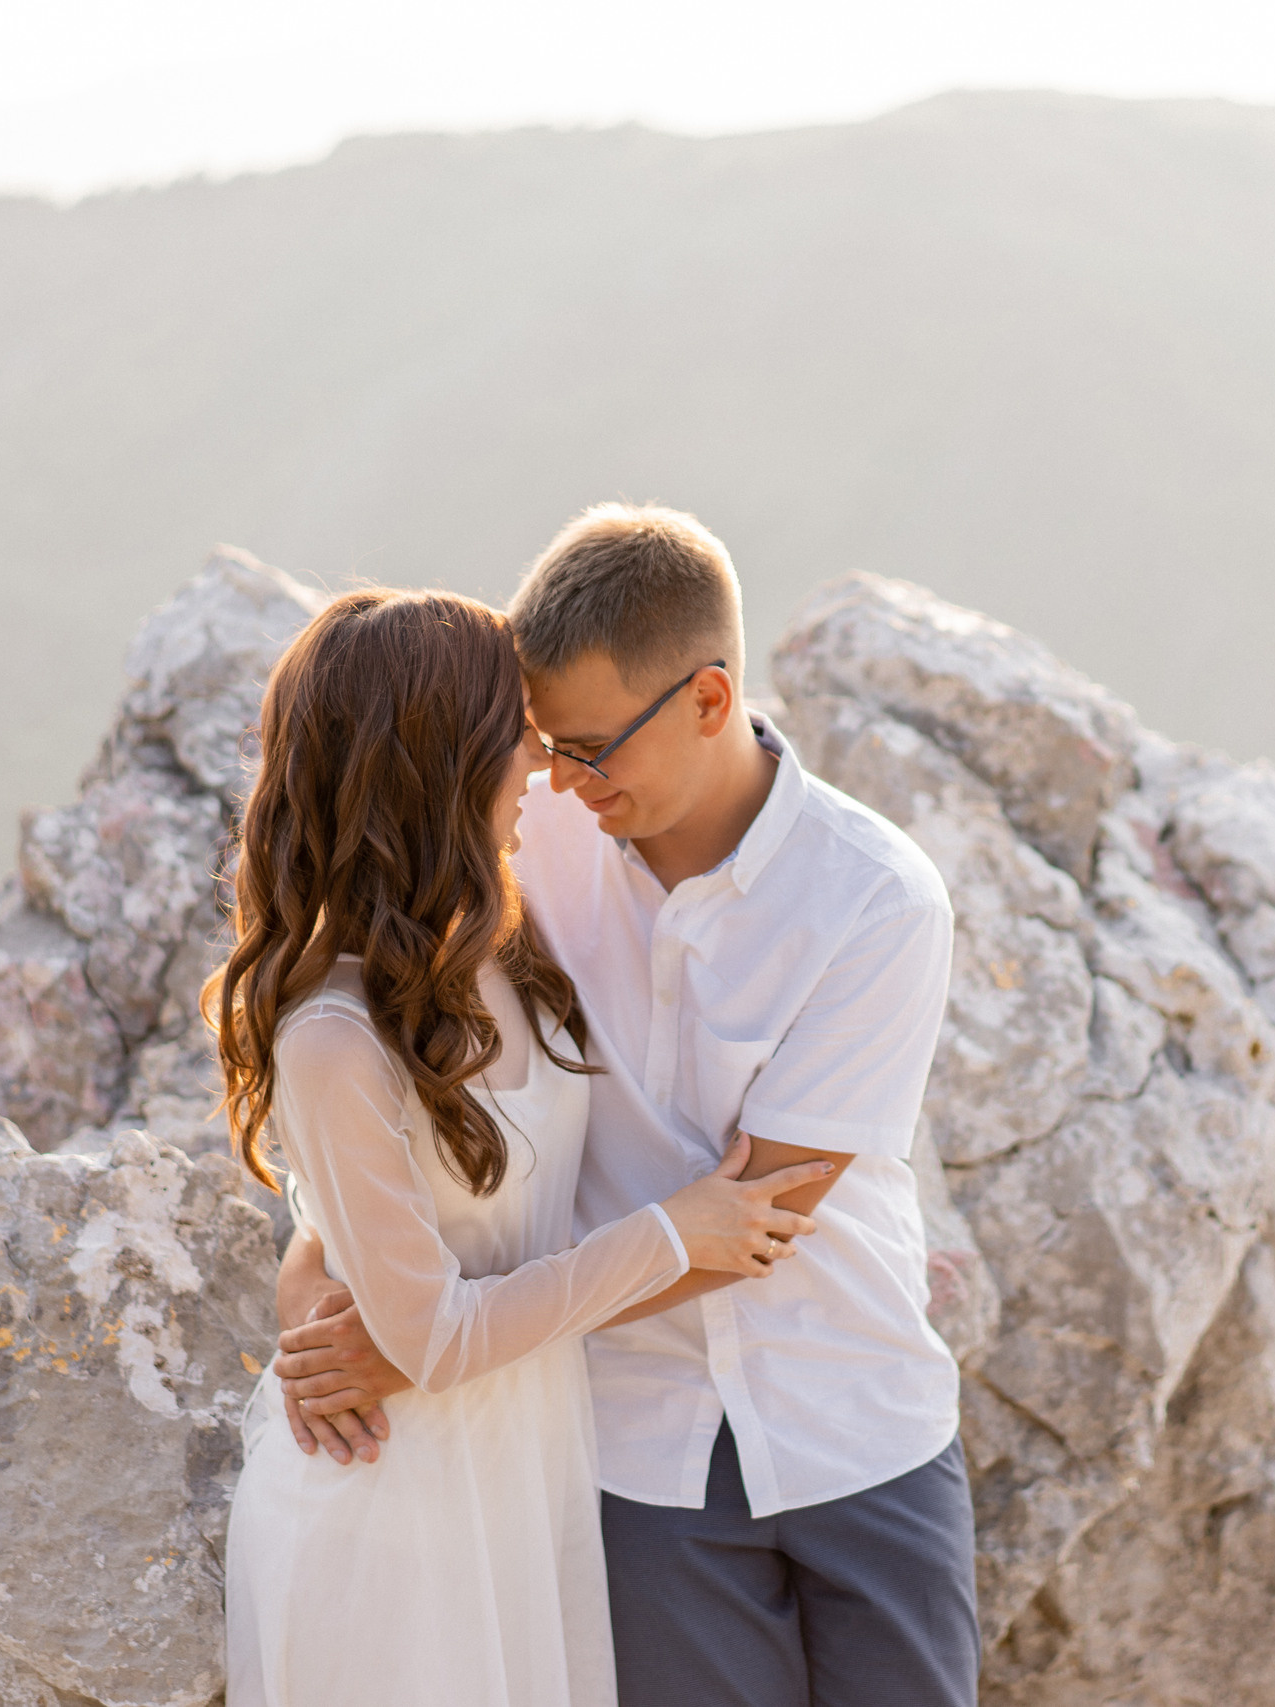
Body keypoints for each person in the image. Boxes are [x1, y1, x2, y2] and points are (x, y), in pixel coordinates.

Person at [274, 506, 981, 1707]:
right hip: (629, 1451)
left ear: (709, 701)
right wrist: (326, 1267)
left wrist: (425, 1347)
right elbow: (400, 1073)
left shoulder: (875, 901)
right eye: (545, 745)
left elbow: (755, 1214)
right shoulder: (527, 837)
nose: (559, 778)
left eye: (592, 745)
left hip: (855, 1424)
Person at [215, 587, 832, 1707]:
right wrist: (668, 1236)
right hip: (396, 1504)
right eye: (521, 741)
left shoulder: (501, 936)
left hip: (530, 1471)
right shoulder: (331, 1037)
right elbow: (436, 1338)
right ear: (440, 764)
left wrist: (311, 1275)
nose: (548, 772)